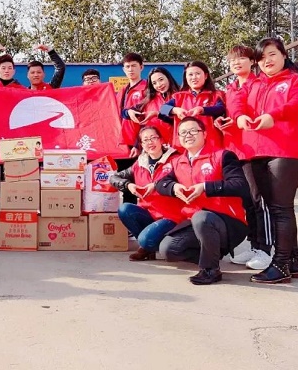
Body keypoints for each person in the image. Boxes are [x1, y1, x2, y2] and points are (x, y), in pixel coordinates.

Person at [229, 37, 298, 284]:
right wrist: (239, 116)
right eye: (262, 57)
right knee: (275, 208)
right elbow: (236, 101)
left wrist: (273, 115)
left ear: (284, 55)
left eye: (272, 54)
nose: (267, 60)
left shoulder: (297, 80)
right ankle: (293, 262)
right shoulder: (254, 84)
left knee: (281, 209)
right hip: (256, 152)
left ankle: (281, 264)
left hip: (285, 151)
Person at [155, 117, 249, 285]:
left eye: (193, 131)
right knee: (168, 250)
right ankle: (212, 254)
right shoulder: (177, 162)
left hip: (227, 221)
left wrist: (205, 187)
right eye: (183, 132)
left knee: (202, 217)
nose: (188, 135)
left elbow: (239, 185)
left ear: (204, 134)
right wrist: (174, 187)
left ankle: (210, 269)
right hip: (195, 221)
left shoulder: (223, 156)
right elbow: (160, 183)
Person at [216, 45, 270, 271]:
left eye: (241, 59)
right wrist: (222, 122)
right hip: (234, 149)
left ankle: (266, 249)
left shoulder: (260, 84)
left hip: (254, 149)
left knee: (259, 200)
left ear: (252, 61)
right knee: (246, 201)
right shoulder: (230, 88)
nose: (236, 63)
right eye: (232, 61)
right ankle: (254, 244)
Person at [109, 126, 185, 261]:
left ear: (161, 140)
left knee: (145, 240)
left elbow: (184, 180)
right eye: (145, 140)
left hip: (171, 216)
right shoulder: (140, 163)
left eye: (153, 138)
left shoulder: (176, 160)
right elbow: (114, 178)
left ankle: (148, 245)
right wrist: (128, 185)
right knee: (125, 209)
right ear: (142, 144)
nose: (150, 142)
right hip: (149, 213)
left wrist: (156, 185)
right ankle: (147, 247)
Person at [160, 61, 225, 152]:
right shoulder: (179, 97)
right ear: (186, 77)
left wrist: (202, 110)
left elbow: (220, 109)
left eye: (197, 73)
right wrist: (175, 110)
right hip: (183, 147)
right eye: (190, 74)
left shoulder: (215, 95)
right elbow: (162, 109)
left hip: (211, 144)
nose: (194, 77)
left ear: (206, 76)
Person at [128, 66, 180, 145]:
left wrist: (157, 114)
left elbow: (177, 121)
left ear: (168, 78)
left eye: (161, 80)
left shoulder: (181, 96)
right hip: (155, 145)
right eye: (154, 83)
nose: (159, 85)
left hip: (177, 143)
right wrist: (129, 112)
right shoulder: (149, 99)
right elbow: (126, 113)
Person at [117, 53, 148, 158]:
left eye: (134, 66)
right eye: (127, 66)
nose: (130, 69)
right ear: (123, 69)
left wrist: (138, 143)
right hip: (123, 143)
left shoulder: (147, 89)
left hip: (140, 144)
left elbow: (148, 119)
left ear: (141, 67)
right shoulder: (122, 91)